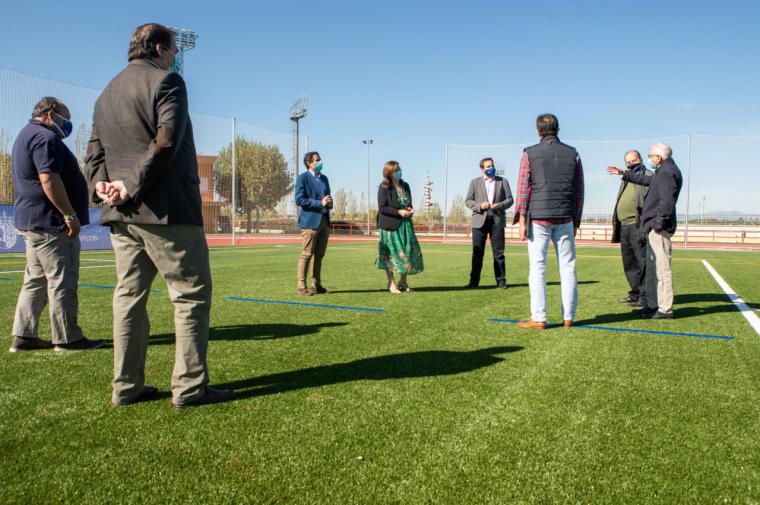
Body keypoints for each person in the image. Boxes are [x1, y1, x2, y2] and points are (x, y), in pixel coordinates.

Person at [85, 23, 234, 407]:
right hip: (166, 213)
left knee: (128, 298)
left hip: (121, 215)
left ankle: (126, 386)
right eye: (172, 50)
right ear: (158, 47)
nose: (175, 57)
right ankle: (189, 387)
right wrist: (129, 185)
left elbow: (94, 153)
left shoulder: (106, 94)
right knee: (190, 296)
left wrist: (103, 185)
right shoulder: (168, 82)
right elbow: (166, 140)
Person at [9, 97, 105, 353]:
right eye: (66, 117)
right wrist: (69, 215)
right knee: (62, 280)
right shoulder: (45, 138)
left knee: (36, 280)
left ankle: (24, 335)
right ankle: (67, 338)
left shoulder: (26, 135)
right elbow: (49, 179)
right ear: (51, 114)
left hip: (33, 221)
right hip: (51, 223)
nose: (69, 124)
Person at [514, 114, 584, 329]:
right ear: (558, 129)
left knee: (538, 268)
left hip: (539, 217)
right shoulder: (573, 154)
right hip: (565, 217)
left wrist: (521, 218)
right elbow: (579, 190)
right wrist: (576, 218)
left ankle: (539, 317)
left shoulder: (530, 154)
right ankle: (568, 317)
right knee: (568, 267)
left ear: (538, 131)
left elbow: (524, 188)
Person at [607, 143, 682, 319]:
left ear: (659, 156)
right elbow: (646, 181)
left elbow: (666, 201)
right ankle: (652, 305)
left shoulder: (667, 172)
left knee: (662, 270)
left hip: (658, 229)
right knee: (653, 270)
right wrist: (623, 173)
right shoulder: (662, 171)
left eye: (651, 155)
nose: (649, 158)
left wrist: (658, 224)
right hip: (653, 227)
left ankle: (665, 309)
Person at [609, 150, 652, 308]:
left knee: (642, 262)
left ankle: (645, 296)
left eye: (633, 160)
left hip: (637, 225)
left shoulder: (647, 175)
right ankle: (635, 293)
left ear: (640, 159)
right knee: (629, 263)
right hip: (624, 226)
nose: (630, 163)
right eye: (627, 161)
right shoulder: (626, 177)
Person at [464, 157, 514, 289]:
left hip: (497, 222)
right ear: (482, 169)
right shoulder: (474, 182)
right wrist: (480, 205)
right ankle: (474, 282)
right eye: (488, 166)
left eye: (492, 165)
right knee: (477, 254)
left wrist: (500, 205)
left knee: (499, 254)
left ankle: (501, 281)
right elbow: (468, 201)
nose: (491, 168)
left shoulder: (503, 181)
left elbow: (510, 200)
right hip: (479, 222)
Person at [376, 161, 424, 292]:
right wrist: (398, 212)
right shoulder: (384, 187)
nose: (399, 171)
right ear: (389, 172)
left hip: (406, 224)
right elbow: (382, 208)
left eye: (399, 168)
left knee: (407, 252)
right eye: (396, 169)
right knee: (390, 255)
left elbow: (408, 203)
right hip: (390, 226)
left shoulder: (405, 185)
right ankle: (391, 283)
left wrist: (410, 209)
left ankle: (403, 282)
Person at [295, 151, 332, 296]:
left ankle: (316, 284)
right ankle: (301, 286)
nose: (320, 162)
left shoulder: (324, 179)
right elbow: (299, 200)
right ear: (309, 163)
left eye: (320, 159)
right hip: (310, 222)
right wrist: (319, 203)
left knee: (319, 255)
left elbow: (327, 197)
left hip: (324, 221)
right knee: (307, 254)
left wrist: (329, 202)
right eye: (317, 160)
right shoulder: (302, 178)